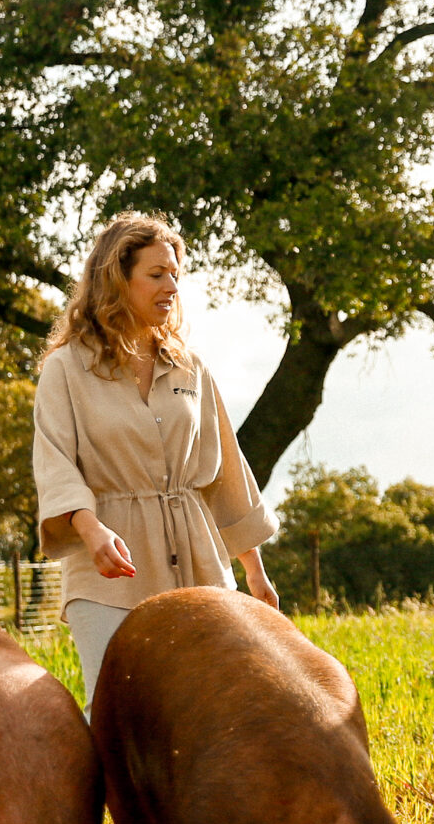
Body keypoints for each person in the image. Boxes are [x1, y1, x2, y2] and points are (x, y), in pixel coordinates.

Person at [33, 213, 278, 701]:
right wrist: (90, 527)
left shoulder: (191, 367)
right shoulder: (65, 369)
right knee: (119, 715)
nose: (171, 286)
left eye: (176, 275)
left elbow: (223, 471)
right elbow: (55, 461)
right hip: (107, 575)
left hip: (200, 569)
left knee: (212, 710)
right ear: (117, 280)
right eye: (156, 274)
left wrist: (254, 569)